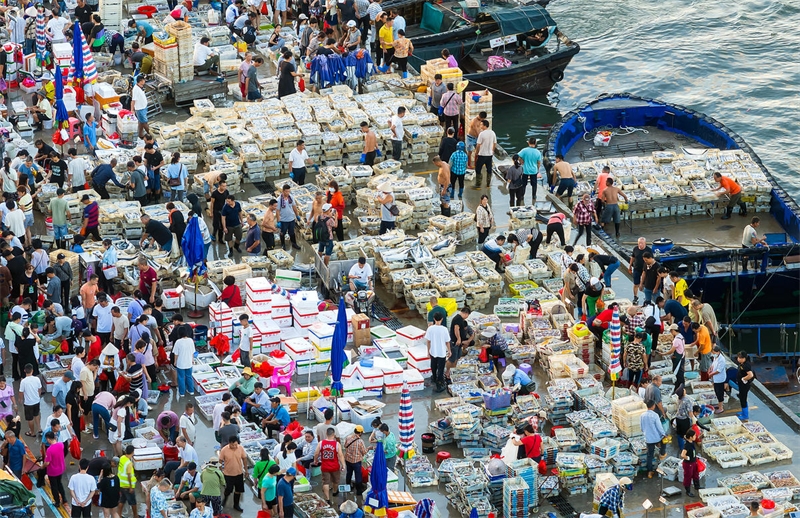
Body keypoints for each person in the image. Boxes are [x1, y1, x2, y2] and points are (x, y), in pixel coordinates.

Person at [220, 436, 247, 512]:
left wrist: (246, 470)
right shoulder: (224, 450)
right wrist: (220, 470)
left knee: (238, 490)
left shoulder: (240, 448)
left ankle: (236, 504)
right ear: (229, 443)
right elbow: (220, 460)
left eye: (236, 444)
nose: (235, 446)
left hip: (239, 473)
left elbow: (244, 458)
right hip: (228, 474)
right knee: (228, 489)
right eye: (233, 445)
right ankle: (225, 499)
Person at [640, 399, 666, 478]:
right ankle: (662, 454)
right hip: (656, 437)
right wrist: (664, 434)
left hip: (648, 438)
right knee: (664, 443)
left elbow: (641, 427)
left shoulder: (642, 415)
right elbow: (659, 427)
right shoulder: (655, 415)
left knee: (649, 455)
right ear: (653, 406)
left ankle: (649, 472)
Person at [425, 312, 450, 392]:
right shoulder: (444, 329)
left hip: (433, 351)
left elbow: (428, 341)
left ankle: (434, 378)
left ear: (434, 319)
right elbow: (447, 342)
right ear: (442, 319)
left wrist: (428, 351)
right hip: (442, 352)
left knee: (433, 365)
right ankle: (439, 383)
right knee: (441, 368)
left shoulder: (430, 329)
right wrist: (449, 350)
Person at [20, 363, 42, 437]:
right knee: (37, 414)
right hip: (37, 401)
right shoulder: (37, 379)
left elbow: (21, 392)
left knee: (30, 418)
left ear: (24, 371)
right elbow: (39, 389)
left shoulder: (23, 381)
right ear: (32, 370)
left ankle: (32, 432)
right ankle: (39, 428)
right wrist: (38, 396)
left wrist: (20, 399)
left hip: (28, 403)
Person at [343, 427, 367, 495]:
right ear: (360, 433)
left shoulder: (348, 437)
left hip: (348, 460)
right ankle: (359, 491)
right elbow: (364, 452)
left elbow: (345, 446)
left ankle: (348, 486)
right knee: (358, 475)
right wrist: (368, 448)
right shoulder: (360, 441)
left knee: (349, 473)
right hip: (356, 462)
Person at [117, 445, 138, 518]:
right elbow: (129, 475)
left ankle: (118, 515)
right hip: (127, 486)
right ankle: (135, 516)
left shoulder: (122, 458)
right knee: (133, 502)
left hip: (121, 484)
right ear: (132, 452)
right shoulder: (129, 464)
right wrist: (131, 487)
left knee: (122, 500)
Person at [474, 119, 497, 187]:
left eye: (481, 125)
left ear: (484, 126)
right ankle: (488, 183)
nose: (480, 126)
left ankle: (478, 184)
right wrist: (492, 151)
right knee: (489, 169)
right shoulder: (493, 133)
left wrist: (476, 152)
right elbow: (495, 143)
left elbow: (478, 145)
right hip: (489, 154)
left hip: (482, 154)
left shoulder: (482, 134)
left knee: (478, 169)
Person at [680, 429, 700, 496]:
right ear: (691, 437)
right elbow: (682, 455)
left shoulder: (692, 442)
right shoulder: (687, 445)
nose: (695, 436)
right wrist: (688, 458)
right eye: (694, 435)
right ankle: (687, 491)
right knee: (688, 476)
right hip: (688, 464)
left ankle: (697, 486)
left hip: (694, 462)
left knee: (695, 474)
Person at [735, 351, 754, 421]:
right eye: (738, 357)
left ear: (744, 358)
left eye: (740, 358)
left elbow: (751, 375)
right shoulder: (741, 364)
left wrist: (744, 379)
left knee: (743, 398)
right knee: (741, 397)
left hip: (744, 385)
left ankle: (745, 415)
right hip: (741, 384)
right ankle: (743, 411)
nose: (738, 359)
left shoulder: (746, 365)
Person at [708, 346, 727, 414]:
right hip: (715, 378)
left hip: (720, 378)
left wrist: (711, 374)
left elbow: (719, 370)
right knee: (716, 391)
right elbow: (713, 364)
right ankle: (719, 404)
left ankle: (721, 408)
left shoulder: (722, 359)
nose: (713, 354)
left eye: (714, 352)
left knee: (720, 393)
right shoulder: (715, 357)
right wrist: (710, 368)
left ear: (718, 352)